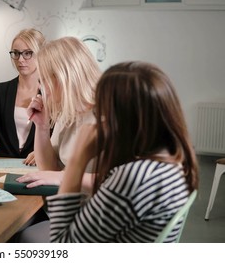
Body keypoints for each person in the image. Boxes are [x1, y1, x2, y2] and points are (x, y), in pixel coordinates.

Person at [46, 61, 199, 242]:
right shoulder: (173, 159)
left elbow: (62, 244)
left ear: (120, 118)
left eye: (101, 111)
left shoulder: (134, 177)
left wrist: (77, 160)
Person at [18, 36, 101, 190]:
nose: (41, 87)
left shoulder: (108, 113)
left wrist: (63, 176)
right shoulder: (67, 111)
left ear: (63, 78)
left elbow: (123, 179)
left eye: (43, 80)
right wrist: (41, 126)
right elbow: (49, 169)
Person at [0, 28, 45, 163]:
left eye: (27, 53)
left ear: (41, 54)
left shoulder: (52, 94)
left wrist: (44, 153)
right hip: (0, 165)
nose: (20, 59)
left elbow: (57, 137)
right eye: (16, 53)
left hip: (38, 167)